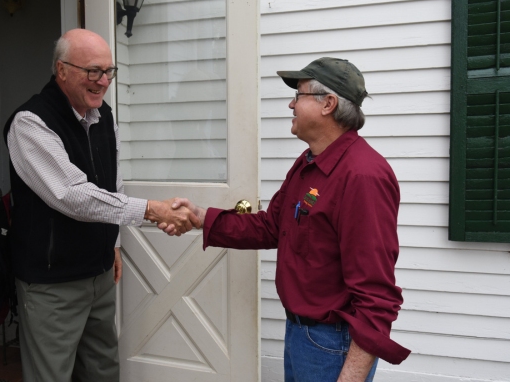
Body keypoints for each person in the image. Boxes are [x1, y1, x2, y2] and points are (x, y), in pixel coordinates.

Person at [162, 58, 411, 381]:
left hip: (334, 344)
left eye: (300, 94)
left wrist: (350, 377)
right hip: (302, 335)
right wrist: (200, 216)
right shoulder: (309, 163)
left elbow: (377, 296)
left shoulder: (362, 176)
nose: (291, 103)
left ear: (328, 104)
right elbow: (270, 227)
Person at [3, 28, 200, 382]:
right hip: (52, 283)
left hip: (99, 273)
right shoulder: (30, 123)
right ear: (61, 70)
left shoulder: (103, 114)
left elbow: (113, 182)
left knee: (102, 371)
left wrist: (115, 242)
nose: (103, 81)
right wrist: (152, 210)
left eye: (109, 71)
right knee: (52, 375)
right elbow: (72, 195)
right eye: (93, 71)